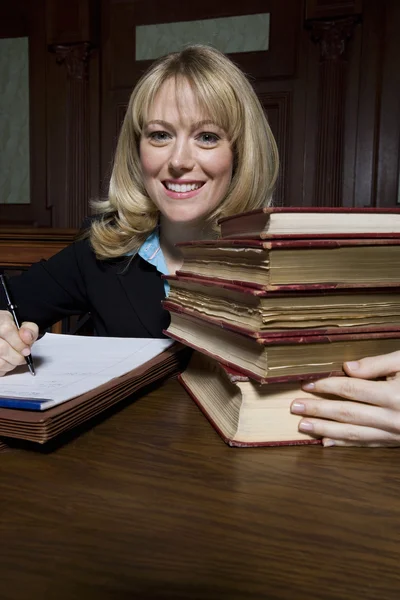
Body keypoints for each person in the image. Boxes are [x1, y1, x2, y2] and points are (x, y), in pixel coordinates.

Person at [0, 45, 399, 448]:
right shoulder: (102, 249)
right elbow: (7, 304)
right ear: (138, 151)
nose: (179, 160)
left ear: (239, 154)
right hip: (132, 475)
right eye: (160, 135)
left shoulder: (291, 262)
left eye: (207, 137)